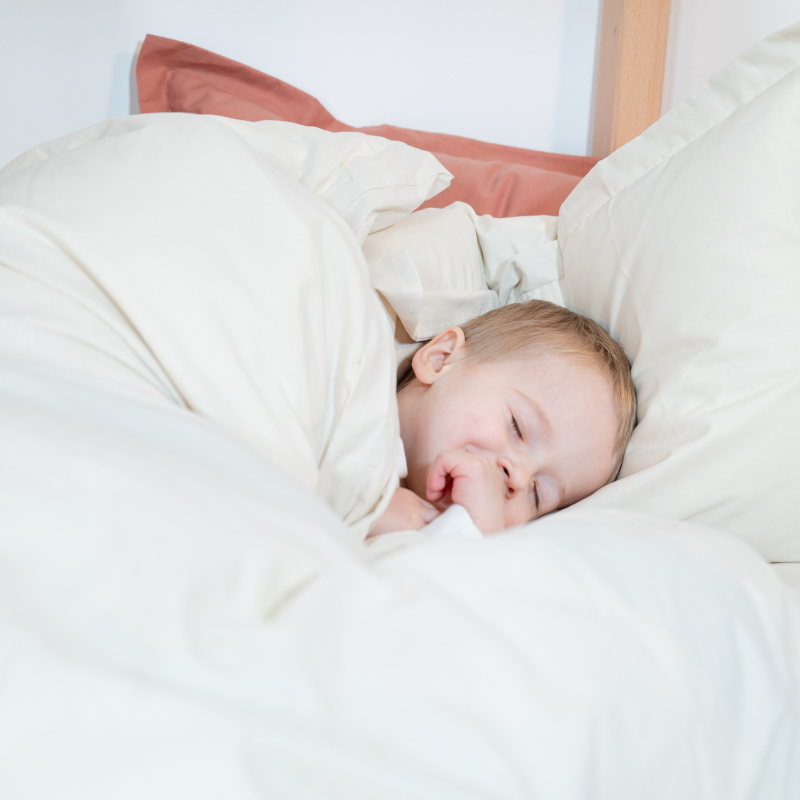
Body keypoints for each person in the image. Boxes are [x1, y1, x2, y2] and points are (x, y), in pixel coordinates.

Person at [368, 300, 636, 537]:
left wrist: (468, 536)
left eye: (537, 494)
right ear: (442, 359)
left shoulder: (459, 553)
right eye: (517, 428)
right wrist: (362, 511)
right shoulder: (351, 399)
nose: (517, 478)